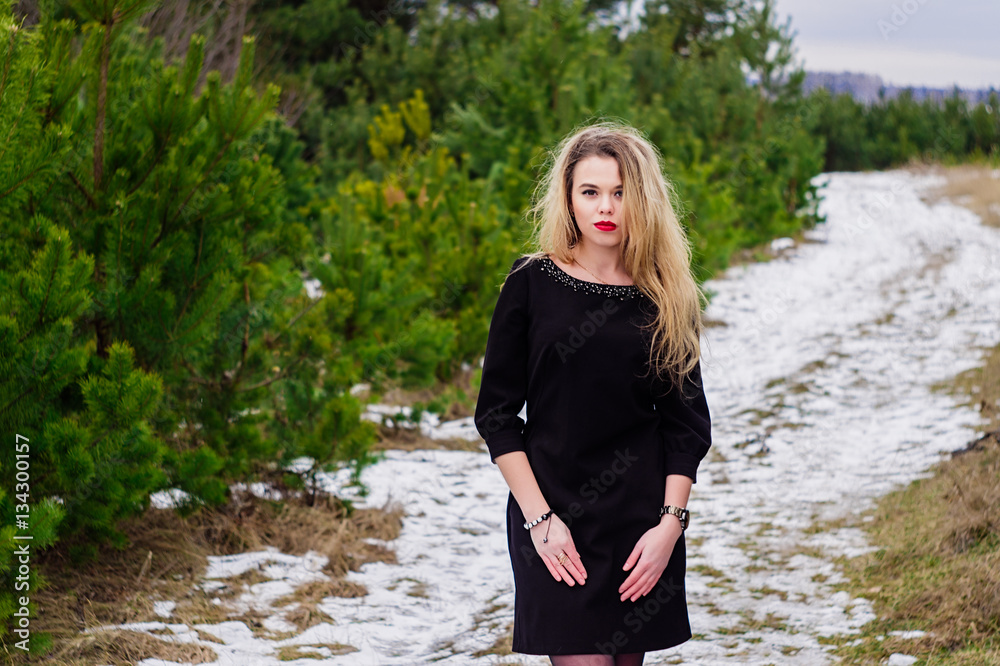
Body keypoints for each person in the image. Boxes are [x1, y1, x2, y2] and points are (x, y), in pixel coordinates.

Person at [473, 120, 713, 666]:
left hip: (639, 528)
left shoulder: (666, 296)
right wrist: (541, 522)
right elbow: (498, 416)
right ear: (569, 199)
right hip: (553, 518)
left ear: (643, 200)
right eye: (591, 191)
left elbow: (686, 427)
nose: (606, 206)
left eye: (621, 193)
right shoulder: (530, 283)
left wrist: (669, 529)